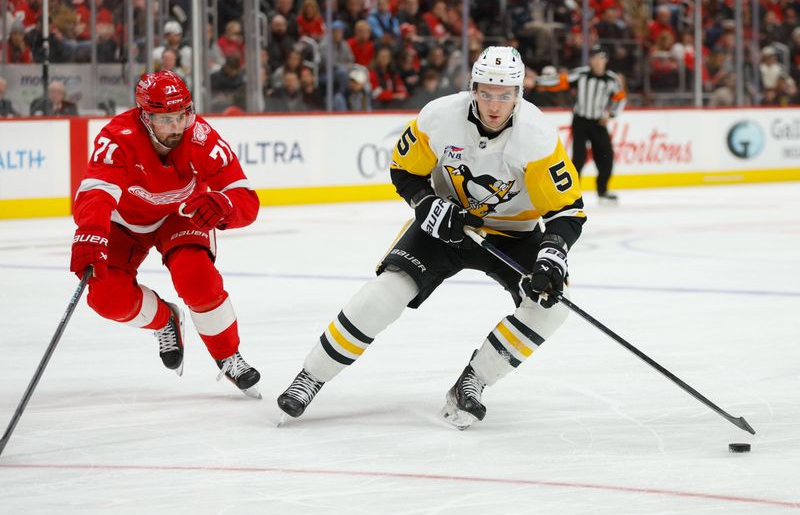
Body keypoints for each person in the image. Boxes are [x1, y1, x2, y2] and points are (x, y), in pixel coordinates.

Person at [277, 47, 586, 429]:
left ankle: (473, 381)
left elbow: (568, 210)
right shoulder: (439, 118)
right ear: (473, 88)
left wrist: (552, 254)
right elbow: (404, 170)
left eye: (504, 95)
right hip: (446, 225)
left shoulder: (536, 137)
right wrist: (426, 204)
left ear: (519, 94)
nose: (494, 104)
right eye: (486, 92)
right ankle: (311, 376)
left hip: (514, 233)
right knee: (385, 293)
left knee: (552, 306)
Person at [69, 71, 262, 397]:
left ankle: (228, 356)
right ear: (146, 117)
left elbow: (246, 199)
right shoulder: (118, 136)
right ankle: (164, 320)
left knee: (197, 279)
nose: (177, 127)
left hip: (181, 215)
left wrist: (224, 205)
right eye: (166, 119)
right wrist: (90, 231)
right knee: (106, 298)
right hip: (124, 222)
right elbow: (97, 191)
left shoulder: (202, 137)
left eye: (182, 116)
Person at [536, 45, 626, 205]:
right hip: (581, 121)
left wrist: (610, 114)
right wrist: (537, 81)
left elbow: (620, 98)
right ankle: (572, 193)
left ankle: (603, 192)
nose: (598, 62)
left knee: (606, 157)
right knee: (579, 158)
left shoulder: (612, 79)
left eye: (601, 58)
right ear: (591, 60)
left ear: (606, 61)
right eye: (595, 58)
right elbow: (559, 81)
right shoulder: (581, 74)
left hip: (598, 123)